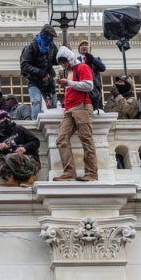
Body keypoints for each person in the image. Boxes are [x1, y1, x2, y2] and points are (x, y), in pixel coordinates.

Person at [52, 46, 97, 181]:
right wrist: (67, 83)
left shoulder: (82, 67)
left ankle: (92, 173)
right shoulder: (71, 71)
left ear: (70, 58)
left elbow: (89, 85)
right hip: (70, 109)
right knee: (61, 139)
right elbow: (75, 86)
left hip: (82, 106)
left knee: (86, 139)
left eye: (64, 61)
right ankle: (69, 172)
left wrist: (69, 83)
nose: (63, 65)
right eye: (61, 63)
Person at [19, 25, 59, 120]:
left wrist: (64, 54)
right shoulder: (31, 46)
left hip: (48, 82)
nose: (51, 40)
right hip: (34, 81)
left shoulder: (51, 46)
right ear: (44, 35)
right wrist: (40, 72)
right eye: (50, 37)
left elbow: (56, 60)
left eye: (52, 38)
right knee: (36, 101)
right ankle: (35, 123)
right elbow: (24, 65)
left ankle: (54, 123)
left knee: (53, 103)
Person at [0, 109, 41, 186]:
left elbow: (36, 141)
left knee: (11, 156)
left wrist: (24, 148)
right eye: (2, 118)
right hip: (12, 162)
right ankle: (11, 179)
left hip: (30, 162)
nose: (5, 119)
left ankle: (29, 177)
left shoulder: (19, 129)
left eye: (7, 117)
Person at [78, 39, 107, 110]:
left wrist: (93, 59)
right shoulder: (76, 60)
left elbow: (102, 68)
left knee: (96, 110)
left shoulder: (96, 59)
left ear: (90, 49)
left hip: (94, 90)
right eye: (82, 45)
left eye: (86, 45)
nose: (84, 46)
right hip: (81, 89)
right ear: (79, 49)